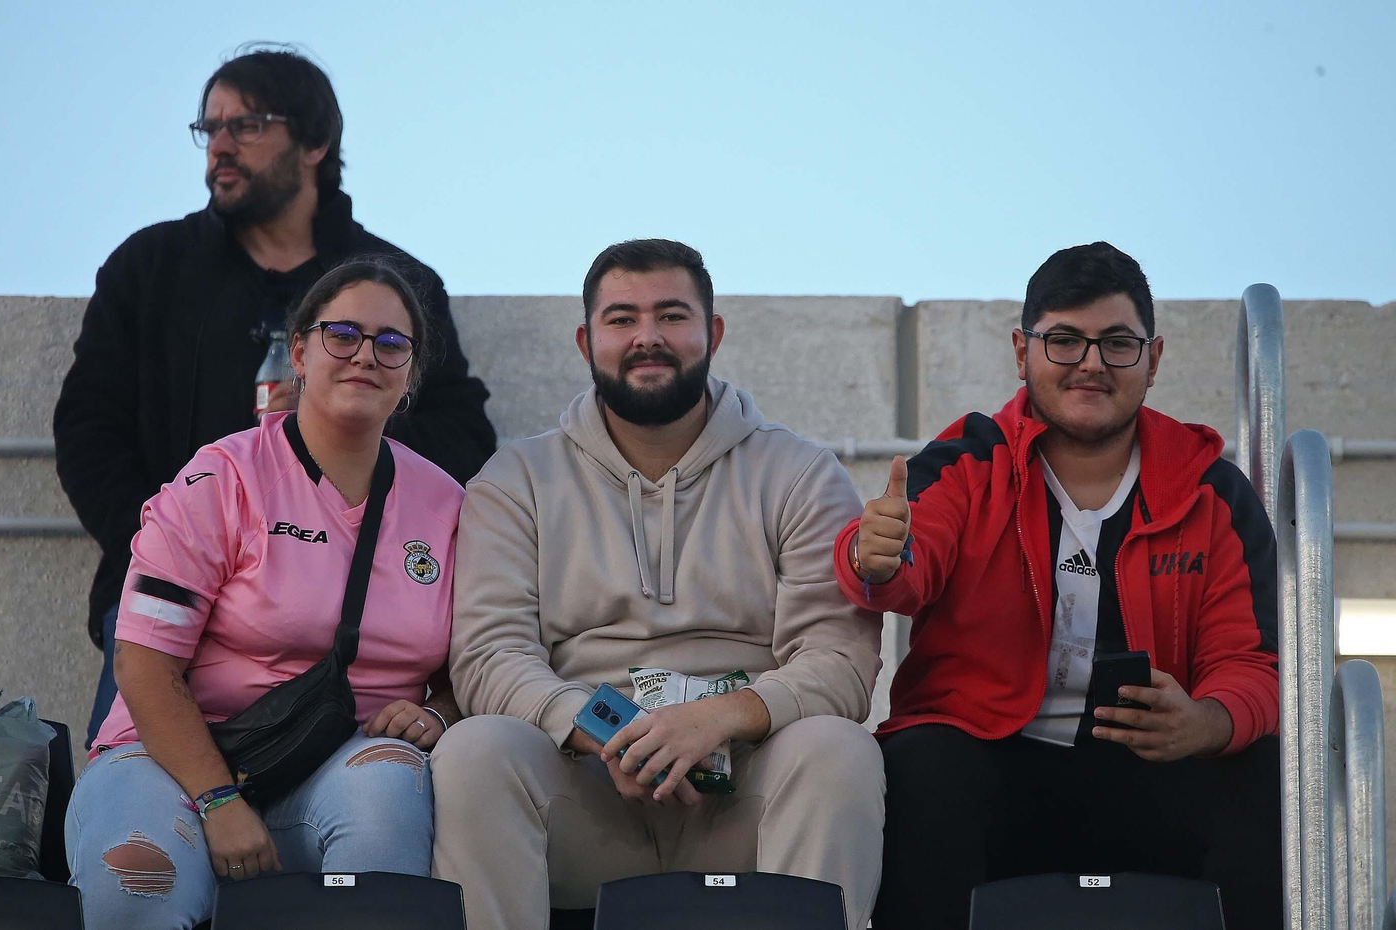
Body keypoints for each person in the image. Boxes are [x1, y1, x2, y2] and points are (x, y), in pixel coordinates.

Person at [431, 239, 886, 930]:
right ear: (587, 340)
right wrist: (608, 732)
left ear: (715, 332)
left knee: (839, 751)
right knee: (474, 751)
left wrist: (719, 719)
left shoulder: (801, 474)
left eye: (672, 315)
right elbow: (489, 658)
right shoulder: (515, 481)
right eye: (621, 320)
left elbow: (840, 663)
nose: (648, 338)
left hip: (745, 791)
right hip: (587, 790)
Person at [53, 45, 495, 746]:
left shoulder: (399, 284)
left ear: (315, 142)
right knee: (136, 799)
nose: (221, 146)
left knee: (367, 817)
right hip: (167, 606)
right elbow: (87, 427)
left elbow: (464, 434)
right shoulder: (151, 268)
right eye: (210, 128)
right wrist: (166, 540)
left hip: (364, 629)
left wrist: (342, 438)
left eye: (247, 125)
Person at [840, 242, 1282, 930]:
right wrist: (875, 555)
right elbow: (905, 557)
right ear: (1022, 352)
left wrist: (1207, 721)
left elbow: (1253, 665)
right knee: (922, 765)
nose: (1091, 364)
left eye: (1117, 344)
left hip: (1152, 767)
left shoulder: (1211, 491)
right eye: (1065, 341)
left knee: (1261, 771)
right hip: (987, 761)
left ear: (1154, 359)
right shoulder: (968, 459)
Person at [64, 260, 464, 930]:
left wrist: (440, 713)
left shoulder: (448, 504)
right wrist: (217, 801)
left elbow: (477, 662)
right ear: (300, 353)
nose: (366, 355)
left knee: (392, 784)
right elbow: (143, 664)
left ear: (410, 374)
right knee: (138, 882)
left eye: (391, 343)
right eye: (343, 334)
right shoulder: (221, 477)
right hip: (170, 764)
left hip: (339, 765)